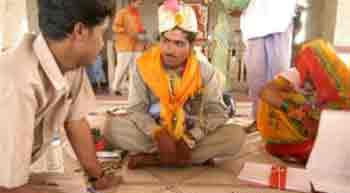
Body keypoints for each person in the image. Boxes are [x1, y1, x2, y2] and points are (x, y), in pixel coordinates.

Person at [0, 1, 123, 193]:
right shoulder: (17, 82)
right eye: (101, 34)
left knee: (77, 191)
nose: (102, 45)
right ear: (80, 31)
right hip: (3, 183)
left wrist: (97, 176)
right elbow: (5, 187)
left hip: (7, 178)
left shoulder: (69, 65)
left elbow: (75, 121)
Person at [104, 2, 246, 169]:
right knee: (111, 128)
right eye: (166, 41)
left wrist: (191, 138)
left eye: (179, 44)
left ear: (191, 46)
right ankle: (184, 157)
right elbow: (136, 109)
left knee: (235, 136)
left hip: (191, 133)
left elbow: (216, 113)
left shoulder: (205, 71)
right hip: (153, 131)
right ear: (160, 40)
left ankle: (156, 158)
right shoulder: (143, 66)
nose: (170, 50)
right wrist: (157, 133)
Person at [257, 39, 350, 162]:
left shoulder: (336, 84)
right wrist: (300, 115)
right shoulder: (294, 74)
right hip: (285, 127)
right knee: (298, 100)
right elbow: (265, 92)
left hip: (317, 129)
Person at [241, 0, 297, 129]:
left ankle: (279, 119)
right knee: (256, 77)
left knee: (279, 75)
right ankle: (258, 119)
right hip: (253, 21)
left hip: (280, 18)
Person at [110, 0, 149, 96]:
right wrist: (127, 31)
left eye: (140, 4)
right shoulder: (122, 13)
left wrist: (142, 31)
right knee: (122, 68)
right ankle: (115, 87)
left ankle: (133, 90)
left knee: (135, 69)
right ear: (131, 2)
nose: (139, 6)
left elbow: (138, 28)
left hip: (137, 45)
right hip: (124, 45)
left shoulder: (137, 14)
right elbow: (115, 27)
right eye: (138, 3)